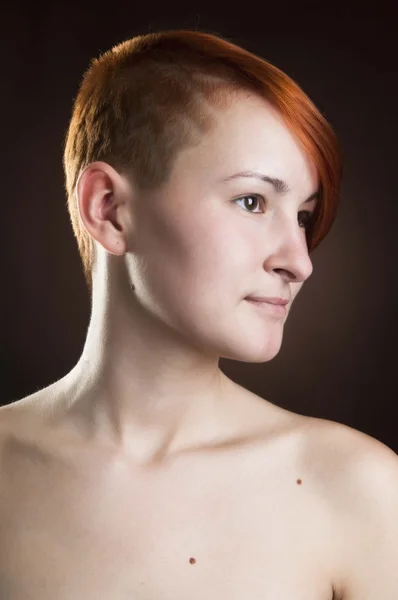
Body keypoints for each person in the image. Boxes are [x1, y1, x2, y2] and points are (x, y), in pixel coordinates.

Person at [0, 29, 397, 599]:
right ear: (108, 209)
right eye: (253, 201)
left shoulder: (359, 491)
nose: (299, 262)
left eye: (304, 216)